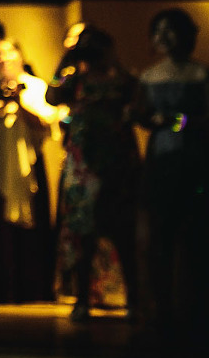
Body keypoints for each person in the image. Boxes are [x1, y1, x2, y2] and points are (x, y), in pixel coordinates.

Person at [132, 7, 209, 342]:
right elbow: (142, 115)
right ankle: (161, 310)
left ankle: (200, 310)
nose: (164, 37)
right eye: (159, 31)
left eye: (171, 30)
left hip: (196, 159)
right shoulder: (148, 76)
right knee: (158, 236)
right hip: (160, 162)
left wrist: (176, 121)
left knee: (198, 233)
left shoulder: (202, 73)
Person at [46, 24, 140, 321]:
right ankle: (82, 298)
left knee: (123, 230)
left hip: (116, 161)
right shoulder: (75, 80)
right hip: (83, 165)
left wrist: (114, 63)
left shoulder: (124, 80)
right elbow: (51, 94)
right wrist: (67, 57)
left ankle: (133, 300)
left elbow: (137, 101)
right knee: (83, 231)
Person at [0, 39, 60, 304]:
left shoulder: (36, 86)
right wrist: (1, 104)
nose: (3, 59)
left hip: (28, 166)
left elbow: (44, 122)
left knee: (30, 233)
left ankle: (33, 290)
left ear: (20, 56)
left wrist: (19, 101)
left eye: (9, 53)